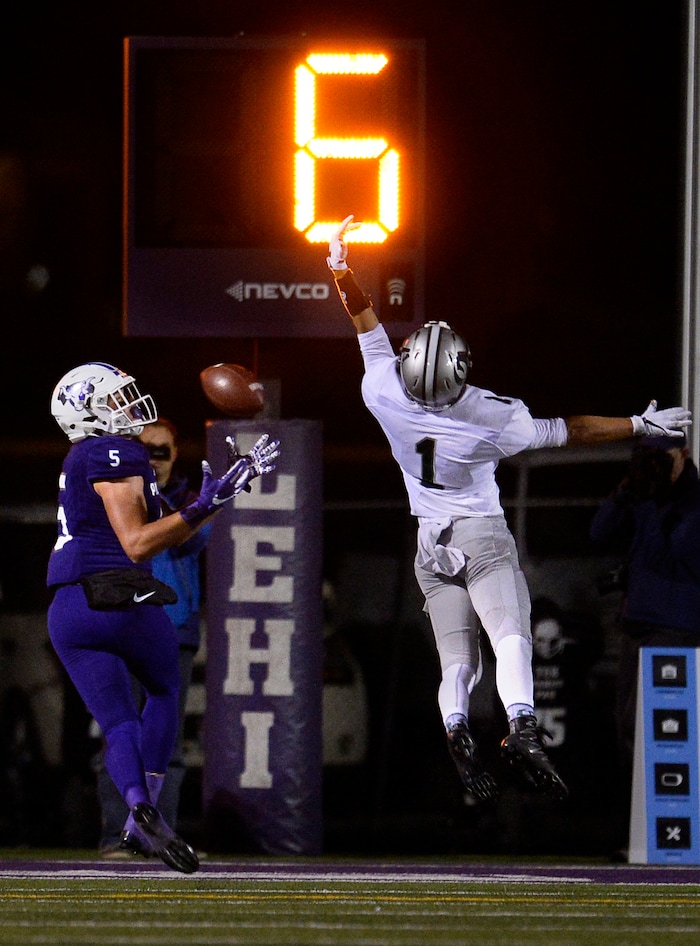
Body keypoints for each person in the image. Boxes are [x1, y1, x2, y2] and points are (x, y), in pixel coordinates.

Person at [325, 214, 691, 805]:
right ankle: (522, 726)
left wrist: (340, 265)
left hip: (428, 543)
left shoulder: (382, 391)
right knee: (511, 636)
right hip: (480, 534)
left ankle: (456, 728)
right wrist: (637, 424)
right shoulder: (487, 418)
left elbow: (365, 324)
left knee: (457, 664)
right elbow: (567, 430)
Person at [47, 362, 279, 872]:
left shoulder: (80, 456)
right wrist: (206, 503)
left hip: (69, 608)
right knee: (164, 694)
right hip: (124, 599)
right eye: (114, 399)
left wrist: (217, 496)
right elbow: (136, 544)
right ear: (89, 412)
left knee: (118, 723)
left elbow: (176, 530)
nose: (127, 406)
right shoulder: (116, 452)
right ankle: (138, 817)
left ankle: (137, 810)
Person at [95, 417, 212, 857]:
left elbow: (189, 540)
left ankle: (160, 836)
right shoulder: (117, 491)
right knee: (119, 733)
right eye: (146, 451)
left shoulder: (184, 498)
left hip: (172, 629)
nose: (154, 459)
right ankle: (116, 835)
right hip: (123, 625)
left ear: (175, 455)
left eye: (162, 451)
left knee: (169, 742)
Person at [589, 433, 700, 842]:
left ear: (683, 456)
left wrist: (650, 504)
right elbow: (599, 533)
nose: (653, 466)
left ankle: (665, 833)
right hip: (637, 627)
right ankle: (637, 830)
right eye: (645, 458)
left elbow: (671, 555)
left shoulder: (692, 501)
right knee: (629, 732)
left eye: (660, 458)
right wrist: (625, 491)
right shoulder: (641, 495)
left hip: (675, 630)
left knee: (663, 734)